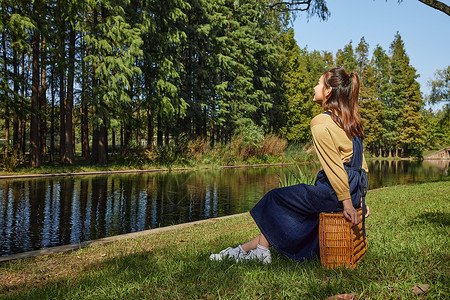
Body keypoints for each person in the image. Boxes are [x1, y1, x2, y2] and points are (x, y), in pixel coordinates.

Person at [210, 67, 370, 264]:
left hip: (334, 192)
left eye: (319, 83)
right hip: (353, 189)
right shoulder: (350, 122)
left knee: (274, 199)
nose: (315, 87)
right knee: (295, 213)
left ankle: (258, 253)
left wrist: (347, 204)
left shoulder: (321, 122)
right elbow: (361, 166)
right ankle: (242, 250)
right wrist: (359, 200)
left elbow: (334, 167)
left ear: (328, 91)